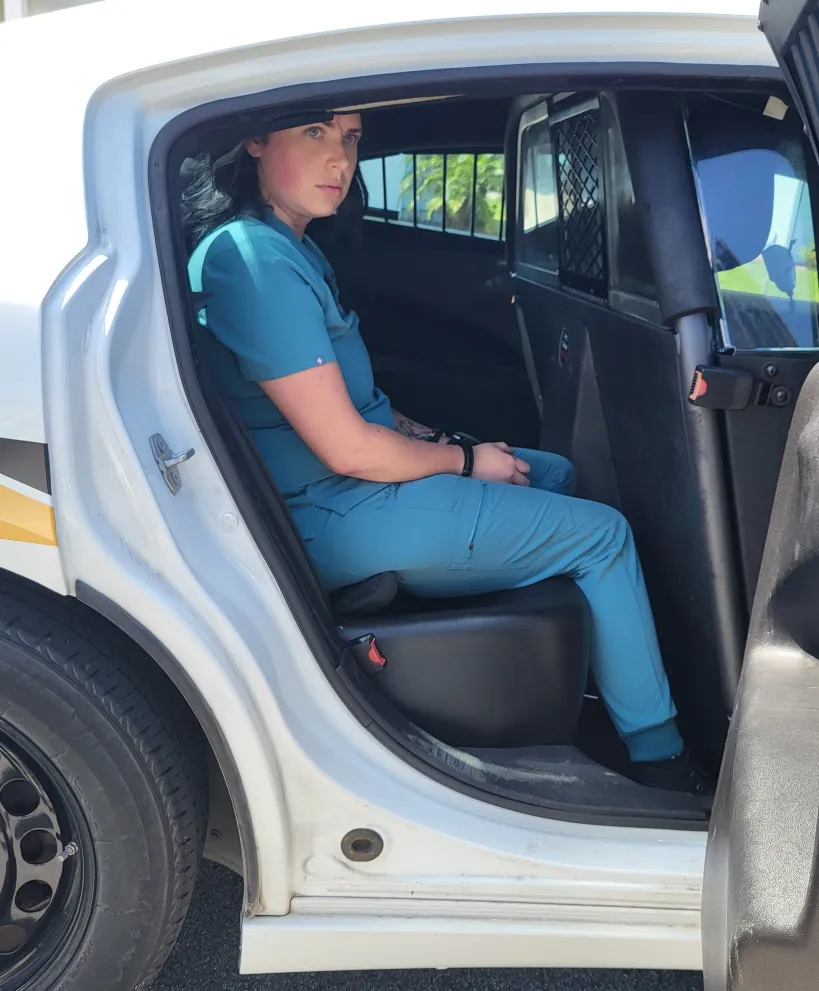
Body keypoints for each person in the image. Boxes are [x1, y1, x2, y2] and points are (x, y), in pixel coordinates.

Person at [184, 110, 711, 797]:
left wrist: (446, 441)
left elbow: (358, 404)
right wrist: (467, 463)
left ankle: (583, 673)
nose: (339, 159)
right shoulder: (251, 260)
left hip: (352, 490)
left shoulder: (290, 248)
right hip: (335, 512)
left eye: (349, 138)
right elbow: (346, 446)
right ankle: (661, 757)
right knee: (603, 537)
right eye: (314, 133)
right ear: (256, 139)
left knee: (552, 472)